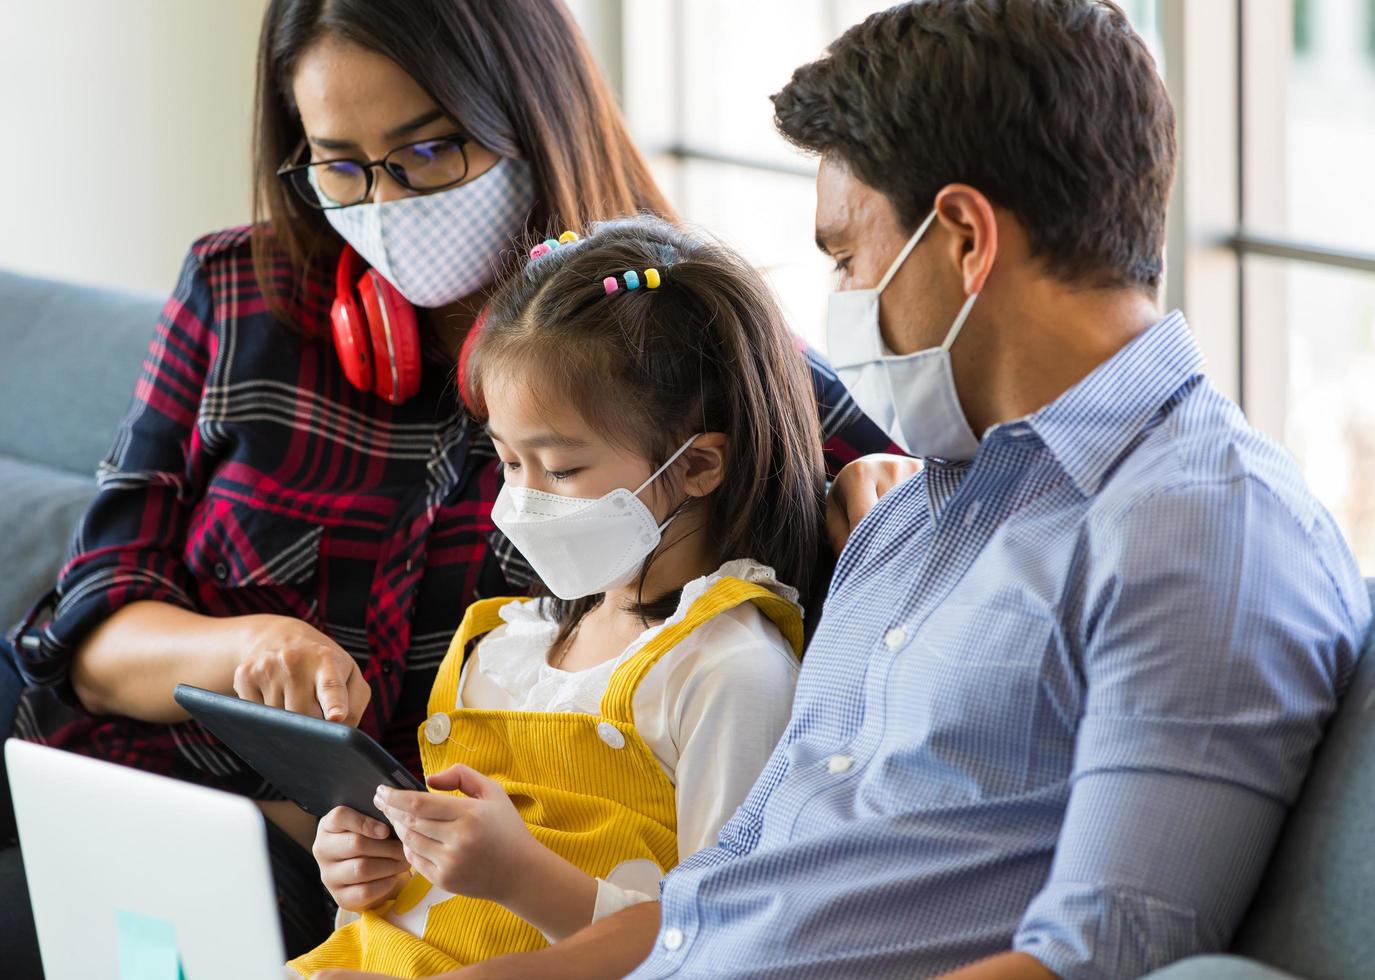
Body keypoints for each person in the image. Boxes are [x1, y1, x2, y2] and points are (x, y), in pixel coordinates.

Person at [402, 2, 1370, 978]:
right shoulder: (908, 520)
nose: (841, 293)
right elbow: (715, 897)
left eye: (846, 255)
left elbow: (1097, 955)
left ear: (962, 237)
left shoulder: (1197, 523)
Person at [0, 2, 899, 975]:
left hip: (359, 868)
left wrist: (890, 481)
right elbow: (80, 625)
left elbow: (907, 484)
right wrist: (242, 645)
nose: (384, 201)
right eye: (338, 163)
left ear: (528, 117)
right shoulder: (237, 288)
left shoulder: (663, 345)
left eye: (425, 152)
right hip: (114, 773)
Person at [288, 216, 823, 976]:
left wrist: (518, 877)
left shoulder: (730, 669)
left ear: (698, 465)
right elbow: (424, 906)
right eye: (507, 461)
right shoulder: (497, 645)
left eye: (560, 469)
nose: (521, 500)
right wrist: (362, 873)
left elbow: (720, 941)